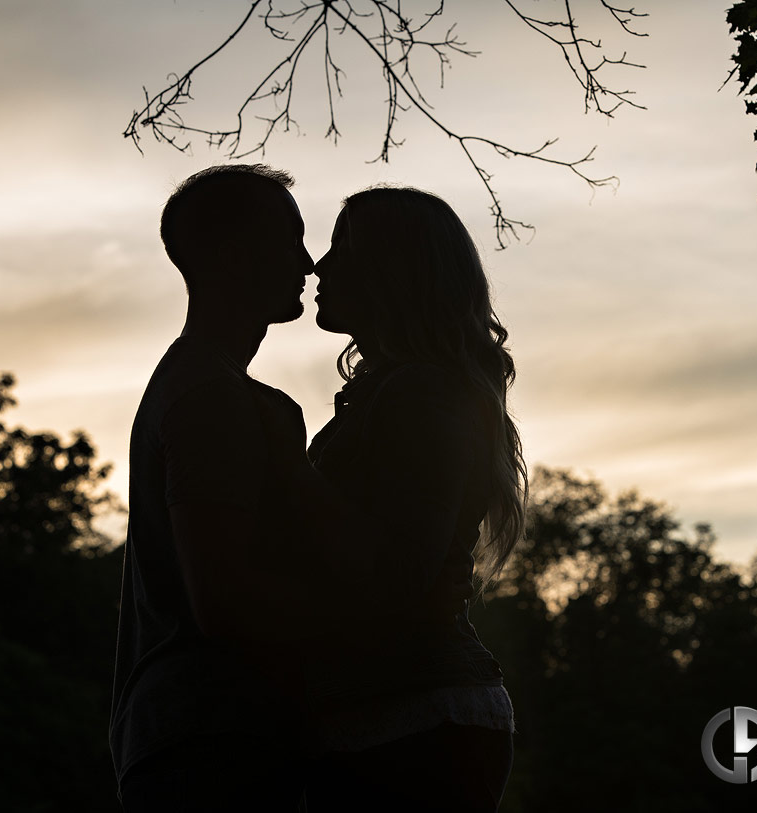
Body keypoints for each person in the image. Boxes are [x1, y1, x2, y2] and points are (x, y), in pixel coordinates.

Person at [109, 166, 472, 812]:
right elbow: (225, 603)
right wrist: (395, 625)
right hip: (210, 741)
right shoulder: (214, 399)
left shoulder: (215, 390)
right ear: (231, 252)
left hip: (208, 735)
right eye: (292, 238)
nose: (309, 263)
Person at [298, 186, 527, 812]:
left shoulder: (422, 395)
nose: (319, 264)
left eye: (343, 248)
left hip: (417, 722)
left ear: (392, 270)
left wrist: (288, 474)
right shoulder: (402, 392)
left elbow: (402, 574)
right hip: (394, 715)